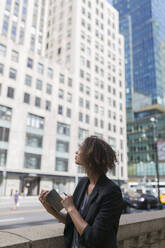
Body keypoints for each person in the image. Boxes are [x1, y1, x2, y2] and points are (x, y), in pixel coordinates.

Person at [39, 136, 123, 248]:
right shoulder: (82, 183)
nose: (76, 152)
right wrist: (50, 209)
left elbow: (94, 238)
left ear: (91, 155)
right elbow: (72, 222)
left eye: (81, 148)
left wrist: (71, 208)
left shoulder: (111, 192)